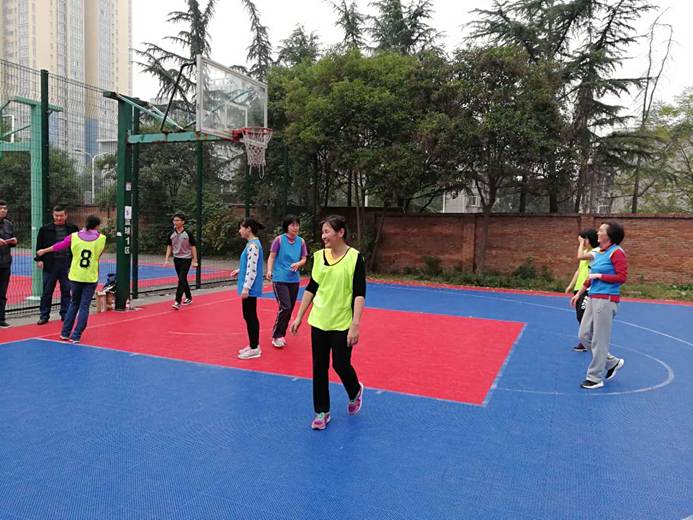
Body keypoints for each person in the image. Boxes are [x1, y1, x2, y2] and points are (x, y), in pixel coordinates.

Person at [290, 215, 366, 431]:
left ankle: (354, 391)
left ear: (340, 232)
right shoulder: (319, 257)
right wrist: (299, 316)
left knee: (340, 364)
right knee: (319, 366)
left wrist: (355, 325)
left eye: (327, 232)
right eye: (322, 232)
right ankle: (322, 411)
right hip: (319, 320)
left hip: (342, 321)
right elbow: (312, 288)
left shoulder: (355, 258)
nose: (323, 236)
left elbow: (359, 293)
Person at [571, 221, 628, 389]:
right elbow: (591, 276)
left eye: (601, 230)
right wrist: (579, 294)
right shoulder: (598, 253)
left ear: (609, 236)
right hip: (592, 297)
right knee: (583, 335)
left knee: (599, 340)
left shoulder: (617, 253)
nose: (597, 232)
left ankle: (595, 378)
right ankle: (611, 362)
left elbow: (622, 277)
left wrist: (600, 276)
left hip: (606, 299)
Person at [37, 215, 106, 343]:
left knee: (73, 304)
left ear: (86, 223)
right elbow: (98, 255)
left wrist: (44, 251)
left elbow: (59, 245)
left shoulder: (74, 236)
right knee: (84, 307)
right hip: (90, 277)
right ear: (97, 226)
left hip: (75, 275)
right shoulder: (102, 239)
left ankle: (65, 333)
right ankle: (76, 335)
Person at [266, 215, 308, 348]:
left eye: (297, 225)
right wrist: (269, 270)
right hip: (279, 278)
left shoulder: (301, 241)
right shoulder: (279, 240)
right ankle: (276, 335)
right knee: (285, 306)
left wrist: (298, 264)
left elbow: (304, 258)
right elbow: (272, 256)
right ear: (286, 226)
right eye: (292, 225)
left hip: (294, 279)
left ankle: (281, 335)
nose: (295, 227)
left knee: (289, 309)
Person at [35, 205, 79, 325]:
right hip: (50, 264)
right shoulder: (45, 229)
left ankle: (65, 314)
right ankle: (44, 315)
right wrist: (39, 259)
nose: (59, 218)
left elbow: (78, 245)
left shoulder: (73, 229)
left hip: (67, 264)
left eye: (61, 216)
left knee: (66, 290)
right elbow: (39, 245)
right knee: (47, 291)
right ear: (53, 215)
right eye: (56, 216)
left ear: (66, 215)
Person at [231, 218, 265, 360]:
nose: (240, 231)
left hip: (250, 288)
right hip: (250, 286)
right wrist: (240, 270)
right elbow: (250, 264)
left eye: (241, 228)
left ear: (248, 229)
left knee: (250, 316)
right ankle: (253, 345)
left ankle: (254, 348)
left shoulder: (253, 246)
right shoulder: (252, 245)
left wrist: (246, 288)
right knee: (249, 316)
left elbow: (252, 269)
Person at [564, 228, 598, 352]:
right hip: (579, 288)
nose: (582, 242)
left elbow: (579, 257)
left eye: (584, 239)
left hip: (588, 289)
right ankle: (586, 339)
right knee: (580, 316)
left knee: (582, 315)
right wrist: (571, 285)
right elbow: (578, 270)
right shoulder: (586, 252)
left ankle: (588, 340)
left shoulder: (595, 252)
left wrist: (580, 243)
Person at [164, 213, 198, 310]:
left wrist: (195, 260)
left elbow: (193, 247)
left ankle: (177, 301)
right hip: (176, 259)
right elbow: (169, 247)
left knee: (181, 280)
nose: (175, 222)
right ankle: (189, 297)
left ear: (183, 222)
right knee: (182, 279)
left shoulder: (188, 233)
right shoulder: (171, 234)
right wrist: (166, 259)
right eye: (174, 220)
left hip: (186, 259)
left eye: (178, 220)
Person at [0, 200, 18, 328]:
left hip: (5, 263)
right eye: (1, 208)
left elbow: (11, 241)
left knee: (2, 293)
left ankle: (1, 319)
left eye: (5, 208)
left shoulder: (8, 224)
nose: (3, 210)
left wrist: (13, 241)